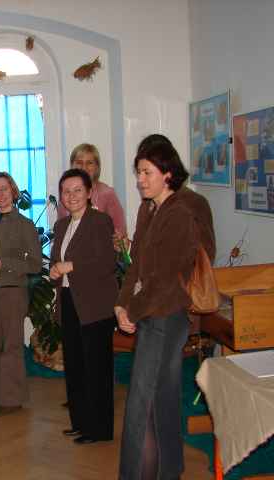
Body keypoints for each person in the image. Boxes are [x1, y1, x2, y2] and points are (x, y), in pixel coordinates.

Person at [115, 137, 215, 479]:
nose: (140, 180)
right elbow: (136, 265)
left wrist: (132, 310)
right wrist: (121, 303)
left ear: (168, 172)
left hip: (167, 317)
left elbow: (166, 280)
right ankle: (169, 471)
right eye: (138, 172)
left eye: (147, 172)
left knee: (141, 409)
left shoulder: (183, 211)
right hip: (149, 313)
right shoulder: (149, 208)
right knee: (161, 401)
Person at [49, 169, 118, 443]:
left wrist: (71, 266)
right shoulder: (61, 226)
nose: (71, 196)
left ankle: (99, 430)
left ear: (89, 192)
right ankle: (80, 423)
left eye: (77, 190)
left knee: (96, 370)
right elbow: (57, 260)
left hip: (95, 305)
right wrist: (55, 270)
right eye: (66, 191)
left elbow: (107, 263)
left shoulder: (100, 221)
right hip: (69, 301)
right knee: (75, 367)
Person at [0, 172, 42, 416]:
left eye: (4, 189)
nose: (0, 194)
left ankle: (11, 400)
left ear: (13, 191)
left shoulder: (25, 225)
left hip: (12, 292)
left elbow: (35, 264)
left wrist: (5, 265)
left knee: (11, 346)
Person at [58, 143, 127, 237]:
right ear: (72, 165)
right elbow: (61, 232)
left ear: (97, 167)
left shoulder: (107, 194)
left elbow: (120, 233)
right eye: (79, 162)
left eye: (89, 163)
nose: (84, 167)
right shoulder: (65, 195)